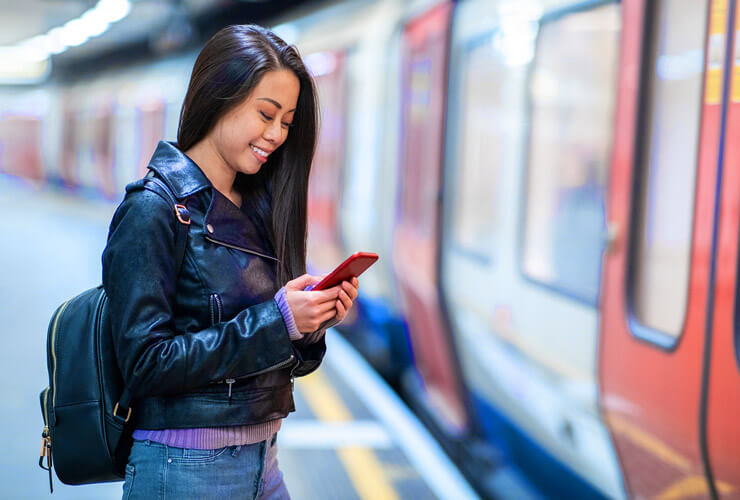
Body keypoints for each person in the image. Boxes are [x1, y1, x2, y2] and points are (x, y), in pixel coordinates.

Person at [101, 24, 360, 499]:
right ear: (219, 96)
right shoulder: (154, 210)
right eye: (265, 114)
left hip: (264, 461)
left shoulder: (260, 206)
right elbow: (144, 364)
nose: (277, 135)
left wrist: (311, 322)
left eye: (287, 121)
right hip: (184, 468)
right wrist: (278, 321)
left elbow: (277, 364)